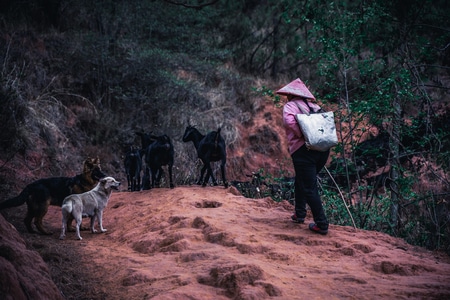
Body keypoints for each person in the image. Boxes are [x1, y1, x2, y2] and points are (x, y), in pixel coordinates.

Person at [277, 78, 330, 235]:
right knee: (302, 180)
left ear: (290, 94)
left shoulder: (290, 106)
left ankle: (322, 224)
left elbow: (288, 121)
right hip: (322, 150)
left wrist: (302, 135)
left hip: (303, 150)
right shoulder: (315, 106)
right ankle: (300, 213)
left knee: (309, 187)